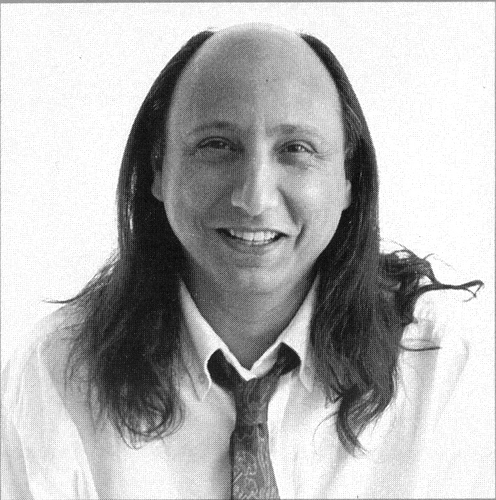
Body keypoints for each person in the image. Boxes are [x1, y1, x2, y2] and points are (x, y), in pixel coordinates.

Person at [1, 23, 491, 499]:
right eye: (217, 145)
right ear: (158, 168)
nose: (254, 198)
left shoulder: (444, 373)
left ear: (348, 179)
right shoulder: (53, 378)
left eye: (296, 149)